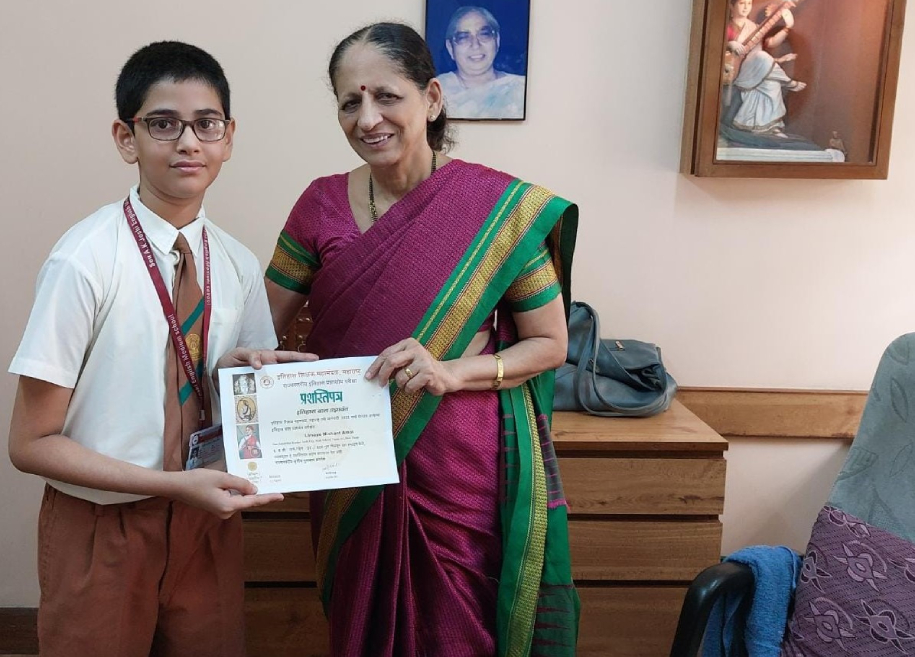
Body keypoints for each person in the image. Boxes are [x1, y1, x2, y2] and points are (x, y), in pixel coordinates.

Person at [265, 22, 579, 656]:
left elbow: (549, 344)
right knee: (363, 618)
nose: (368, 117)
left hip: (459, 465)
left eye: (387, 96)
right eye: (349, 102)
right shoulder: (318, 204)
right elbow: (259, 326)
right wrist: (257, 359)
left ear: (432, 98)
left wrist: (450, 371)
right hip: (346, 455)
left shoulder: (497, 209)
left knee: (460, 628)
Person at [7, 41, 313, 657]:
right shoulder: (84, 260)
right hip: (103, 528)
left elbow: (240, 411)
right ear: (127, 138)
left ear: (228, 138)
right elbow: (29, 442)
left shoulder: (236, 264)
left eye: (207, 124)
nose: (189, 142)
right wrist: (171, 485)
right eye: (164, 124)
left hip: (207, 525)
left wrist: (235, 375)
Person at [721, 0, 810, 148]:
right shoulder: (725, 27)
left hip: (754, 68)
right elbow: (713, 45)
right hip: (733, 71)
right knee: (763, 58)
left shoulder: (754, 28)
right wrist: (730, 44)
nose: (746, 7)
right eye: (742, 3)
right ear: (731, 6)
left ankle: (769, 128)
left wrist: (788, 27)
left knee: (771, 82)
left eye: (749, 3)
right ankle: (788, 82)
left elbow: (770, 43)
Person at [437, 6, 526, 119]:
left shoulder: (520, 88)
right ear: (450, 47)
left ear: (497, 40)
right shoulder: (437, 91)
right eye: (463, 37)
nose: (475, 45)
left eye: (484, 34)